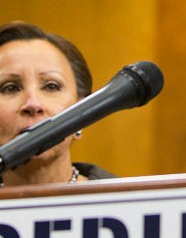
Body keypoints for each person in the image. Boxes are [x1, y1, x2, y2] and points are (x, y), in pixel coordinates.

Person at [0, 21, 115, 186]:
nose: (33, 104)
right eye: (10, 88)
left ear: (84, 113)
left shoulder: (132, 206)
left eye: (51, 86)